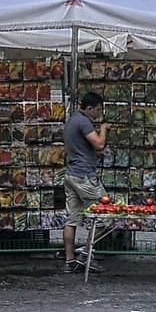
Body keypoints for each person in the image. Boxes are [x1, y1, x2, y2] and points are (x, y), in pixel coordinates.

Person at [64, 90, 108, 270]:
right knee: (107, 214)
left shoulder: (71, 121)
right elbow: (99, 143)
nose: (98, 113)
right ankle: (86, 253)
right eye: (97, 110)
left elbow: (82, 148)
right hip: (84, 176)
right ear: (89, 108)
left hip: (71, 174)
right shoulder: (83, 121)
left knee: (72, 219)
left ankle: (69, 261)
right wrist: (103, 129)